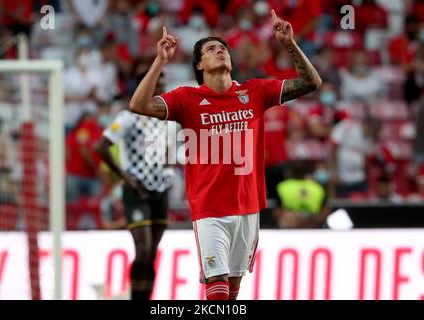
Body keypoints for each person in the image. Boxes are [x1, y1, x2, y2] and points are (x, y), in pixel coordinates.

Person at [129, 9, 322, 300]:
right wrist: (160, 61)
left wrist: (289, 44)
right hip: (209, 207)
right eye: (210, 49)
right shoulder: (186, 98)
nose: (220, 51)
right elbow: (139, 105)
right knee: (216, 287)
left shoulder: (255, 91)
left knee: (232, 291)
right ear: (199, 64)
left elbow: (312, 83)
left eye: (223, 48)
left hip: (248, 205)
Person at [96, 71, 173, 300]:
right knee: (142, 249)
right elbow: (101, 147)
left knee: (150, 254)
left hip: (161, 192)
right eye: (156, 85)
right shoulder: (127, 117)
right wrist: (127, 178)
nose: (161, 90)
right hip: (136, 191)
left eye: (163, 85)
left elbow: (167, 151)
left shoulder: (166, 118)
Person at [274, 161, 329, 229]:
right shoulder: (317, 188)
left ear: (289, 172)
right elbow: (325, 212)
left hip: (289, 228)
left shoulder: (282, 187)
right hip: (312, 228)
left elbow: (277, 212)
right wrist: (310, 220)